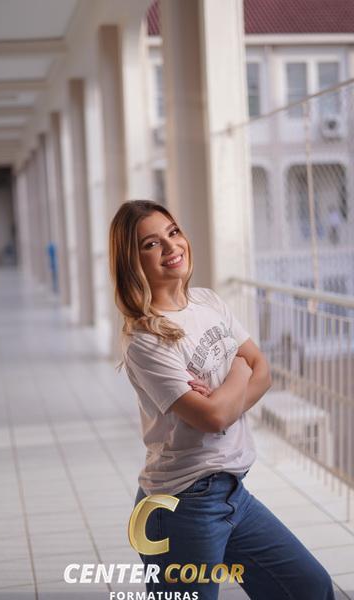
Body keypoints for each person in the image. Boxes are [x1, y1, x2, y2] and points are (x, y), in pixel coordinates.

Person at [109, 200, 335, 600]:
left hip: (233, 494)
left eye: (173, 232)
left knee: (309, 587)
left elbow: (263, 370)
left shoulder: (208, 302)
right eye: (151, 244)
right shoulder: (145, 339)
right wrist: (239, 371)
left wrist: (232, 387)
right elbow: (214, 417)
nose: (170, 246)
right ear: (132, 262)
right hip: (181, 504)